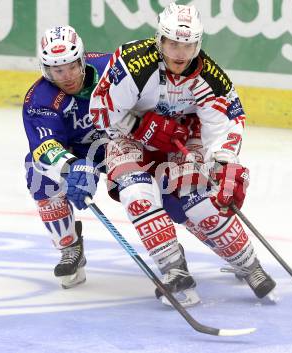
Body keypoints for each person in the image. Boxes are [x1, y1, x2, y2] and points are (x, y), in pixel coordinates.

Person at [89, 2, 276, 306]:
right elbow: (100, 112)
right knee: (136, 193)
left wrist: (225, 166)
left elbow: (224, 126)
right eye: (173, 43)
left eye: (187, 45)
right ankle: (174, 269)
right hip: (129, 138)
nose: (179, 52)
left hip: (183, 137)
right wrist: (140, 125)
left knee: (201, 200)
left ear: (197, 45)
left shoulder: (211, 78)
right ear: (159, 40)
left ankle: (249, 264)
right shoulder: (134, 63)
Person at [23, 26, 111, 289]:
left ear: (82, 59)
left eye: (72, 67)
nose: (66, 76)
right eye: (56, 70)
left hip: (121, 144)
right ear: (45, 70)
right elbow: (45, 146)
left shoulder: (111, 68)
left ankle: (177, 249)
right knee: (37, 172)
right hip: (76, 154)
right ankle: (69, 246)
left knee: (166, 185)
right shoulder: (40, 99)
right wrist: (72, 167)